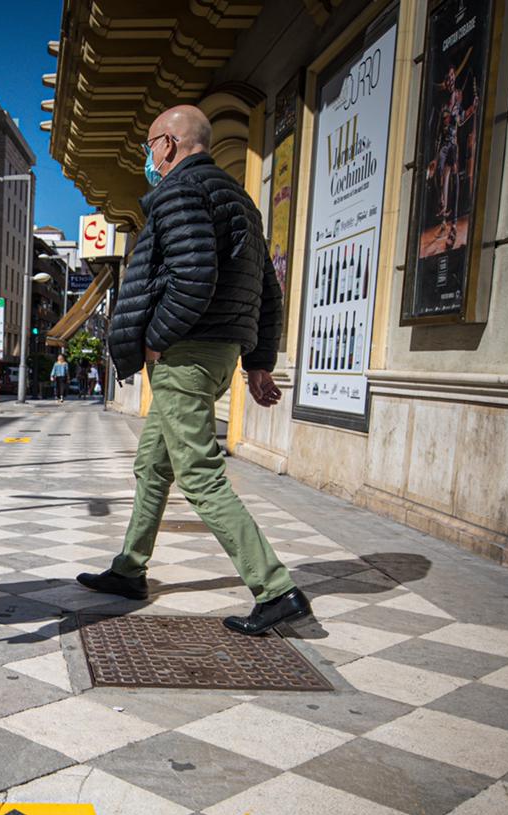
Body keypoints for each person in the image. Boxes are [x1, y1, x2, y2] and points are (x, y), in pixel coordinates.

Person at [80, 104, 310, 636]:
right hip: (216, 349)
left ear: (166, 144)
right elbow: (267, 290)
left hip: (185, 352)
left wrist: (158, 339)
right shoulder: (242, 202)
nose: (147, 157)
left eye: (149, 146)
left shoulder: (181, 191)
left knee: (200, 474)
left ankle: (275, 589)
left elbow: (193, 272)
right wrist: (256, 362)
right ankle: (130, 569)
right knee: (152, 464)